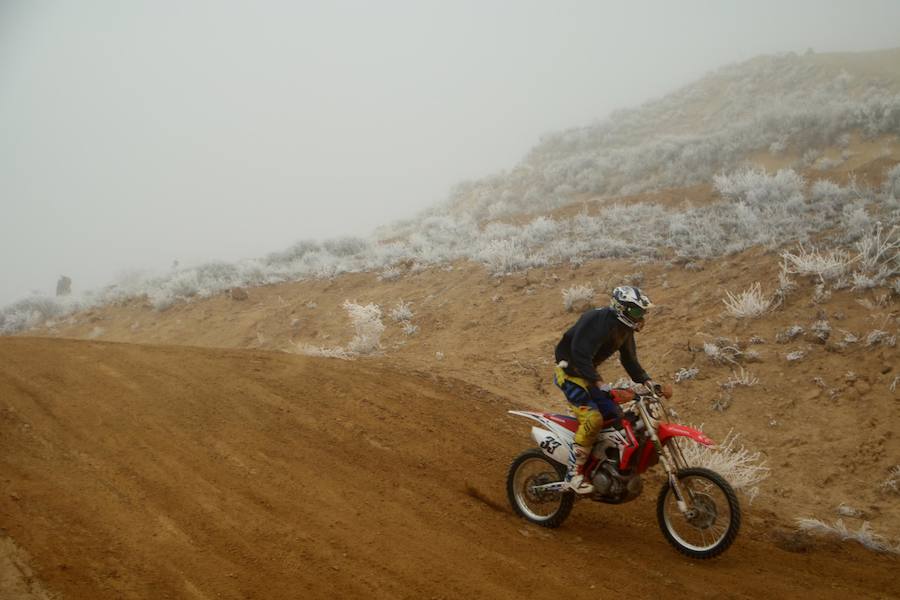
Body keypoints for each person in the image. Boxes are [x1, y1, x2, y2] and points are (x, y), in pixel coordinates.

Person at [553, 286, 657, 494]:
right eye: (637, 311)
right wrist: (600, 384)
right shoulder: (596, 320)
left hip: (587, 374)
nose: (641, 317)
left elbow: (629, 360)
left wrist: (648, 383)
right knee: (593, 419)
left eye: (642, 312)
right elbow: (579, 354)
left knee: (616, 417)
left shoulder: (624, 329)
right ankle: (573, 474)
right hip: (570, 373)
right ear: (622, 308)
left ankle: (600, 466)